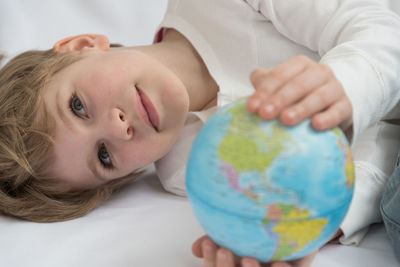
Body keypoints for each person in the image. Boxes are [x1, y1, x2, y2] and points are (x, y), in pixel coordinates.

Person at [1, 0, 400, 266]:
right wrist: (320, 220)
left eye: (78, 107)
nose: (118, 128)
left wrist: (342, 88)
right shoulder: (188, 172)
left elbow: (386, 28)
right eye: (104, 156)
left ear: (82, 45)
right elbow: (381, 152)